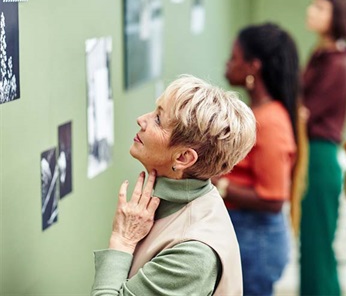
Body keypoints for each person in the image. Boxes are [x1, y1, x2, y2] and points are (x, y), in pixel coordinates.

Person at [91, 75, 256, 295]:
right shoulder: (190, 199)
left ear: (183, 158)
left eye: (158, 119)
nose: (141, 119)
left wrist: (122, 240)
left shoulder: (194, 256)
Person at [216, 23, 299, 296]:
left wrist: (221, 184)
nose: (227, 64)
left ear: (254, 66)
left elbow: (274, 199)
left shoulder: (270, 121)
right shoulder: (257, 113)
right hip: (245, 232)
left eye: (234, 58)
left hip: (256, 239)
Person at [299, 0, 346, 296]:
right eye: (313, 5)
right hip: (313, 156)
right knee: (311, 250)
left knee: (319, 252)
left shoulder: (336, 63)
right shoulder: (321, 56)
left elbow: (306, 113)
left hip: (321, 158)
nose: (311, 11)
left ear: (337, 17)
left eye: (320, 8)